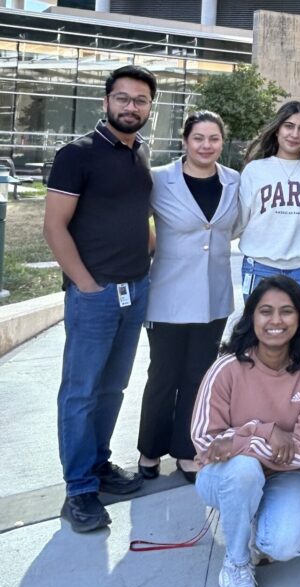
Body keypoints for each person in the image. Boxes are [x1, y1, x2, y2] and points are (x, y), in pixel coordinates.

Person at [43, 65, 157, 533]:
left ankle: (100, 464)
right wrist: (86, 285)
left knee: (112, 390)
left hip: (136, 289)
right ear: (106, 101)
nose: (131, 107)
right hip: (95, 295)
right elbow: (53, 227)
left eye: (141, 100)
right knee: (81, 392)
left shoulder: (141, 154)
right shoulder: (77, 154)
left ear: (151, 107)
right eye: (123, 98)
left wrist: (147, 247)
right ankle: (79, 490)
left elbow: (139, 213)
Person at [191, 275, 300, 587]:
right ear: (251, 316)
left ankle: (251, 523)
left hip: (284, 474)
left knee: (284, 544)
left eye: (286, 312)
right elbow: (205, 442)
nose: (276, 321)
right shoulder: (226, 368)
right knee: (243, 471)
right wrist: (264, 431)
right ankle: (237, 564)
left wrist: (238, 441)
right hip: (224, 475)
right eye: (265, 311)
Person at [137, 111, 241, 483]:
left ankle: (186, 449)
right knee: (164, 374)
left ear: (221, 143)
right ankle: (149, 449)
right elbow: (136, 220)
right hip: (168, 295)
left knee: (198, 376)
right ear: (185, 141)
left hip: (213, 297)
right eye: (199, 138)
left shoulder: (233, 181)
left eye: (214, 139)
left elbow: (235, 227)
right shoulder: (160, 179)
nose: (206, 145)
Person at [237, 100, 300, 309]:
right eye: (289, 126)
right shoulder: (254, 170)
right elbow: (240, 220)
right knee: (258, 335)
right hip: (260, 268)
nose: (295, 134)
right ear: (277, 130)